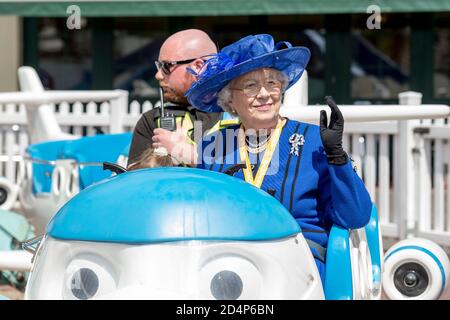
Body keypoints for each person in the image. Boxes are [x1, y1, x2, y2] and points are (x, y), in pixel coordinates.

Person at [184, 34, 373, 284]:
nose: (265, 94)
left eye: (272, 83)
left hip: (297, 260)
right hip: (227, 260)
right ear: (230, 99)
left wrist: (338, 158)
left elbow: (355, 216)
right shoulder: (212, 146)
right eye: (251, 86)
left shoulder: (315, 140)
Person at [128, 29, 231, 168]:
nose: (158, 75)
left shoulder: (239, 115)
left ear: (198, 66)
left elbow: (253, 178)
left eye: (166, 66)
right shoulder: (152, 121)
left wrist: (187, 154)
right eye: (159, 66)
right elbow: (136, 183)